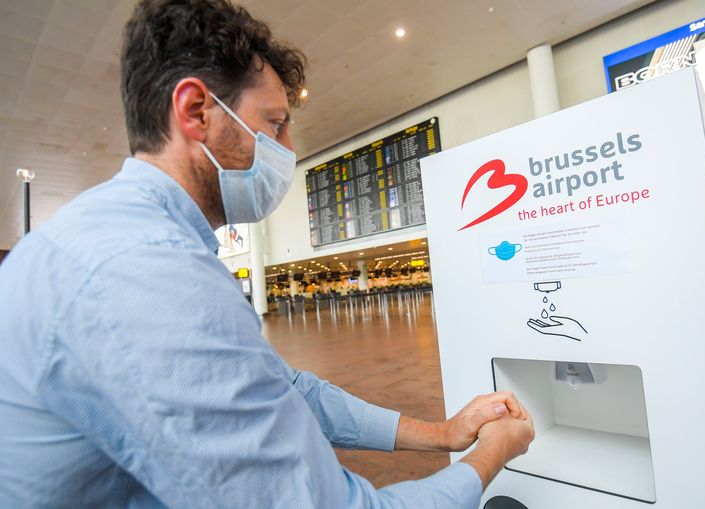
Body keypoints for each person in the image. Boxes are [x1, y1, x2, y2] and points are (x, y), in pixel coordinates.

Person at [0, 1, 534, 507]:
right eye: (276, 123)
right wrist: (490, 456)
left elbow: (285, 390)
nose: (290, 150)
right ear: (195, 112)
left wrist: (440, 434)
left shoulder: (112, 236)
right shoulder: (147, 273)